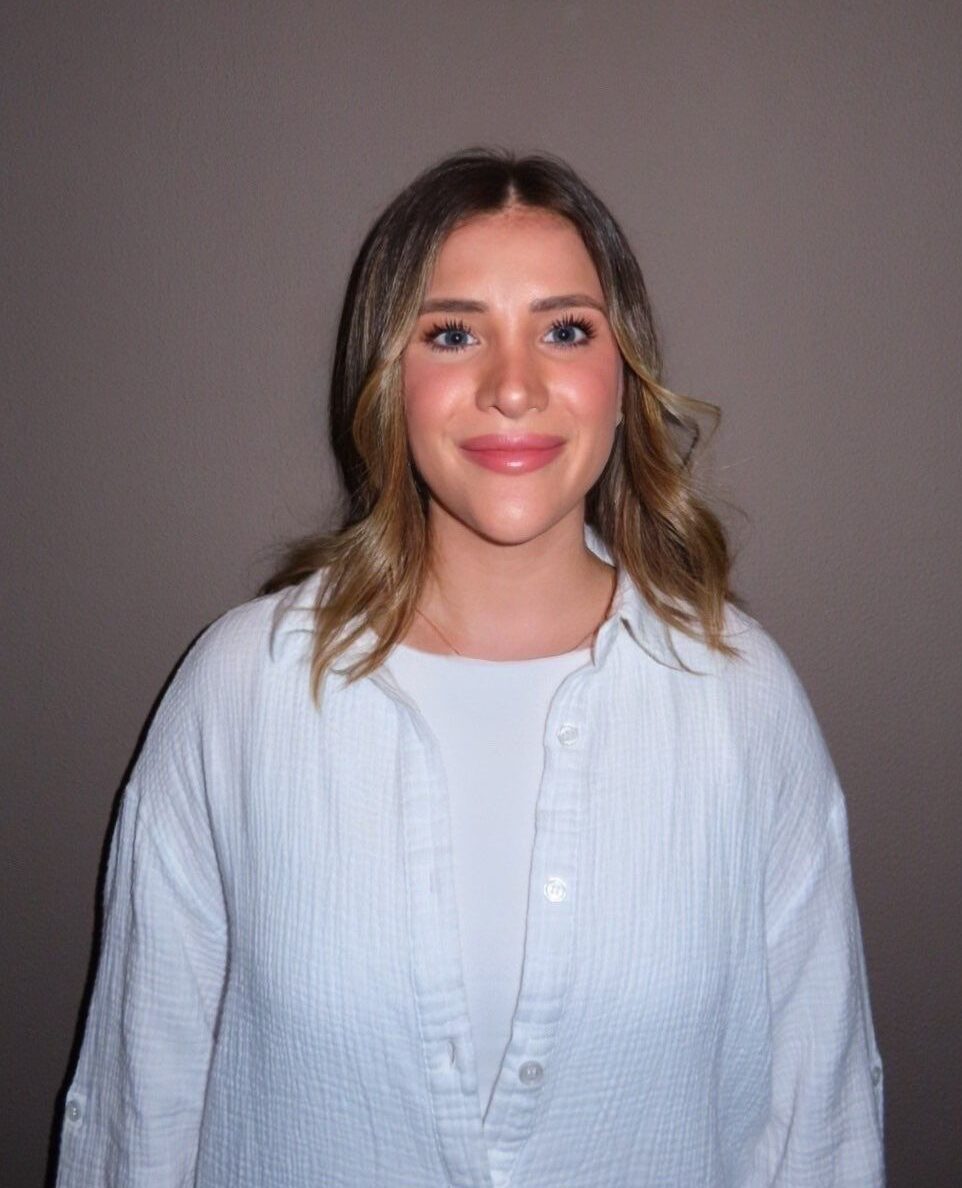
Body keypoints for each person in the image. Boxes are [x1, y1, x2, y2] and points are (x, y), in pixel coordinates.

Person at [55, 149, 885, 1186]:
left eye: (564, 330)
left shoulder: (741, 700)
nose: (512, 387)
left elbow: (819, 1123)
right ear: (387, 380)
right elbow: (140, 1111)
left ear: (623, 380)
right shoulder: (241, 692)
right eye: (452, 333)